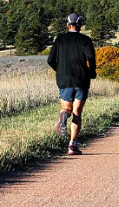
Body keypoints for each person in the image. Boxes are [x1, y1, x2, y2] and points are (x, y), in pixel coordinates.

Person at [47, 13, 96, 155]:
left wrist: (59, 69)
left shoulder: (60, 40)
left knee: (67, 109)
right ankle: (72, 145)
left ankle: (63, 116)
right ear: (80, 26)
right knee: (77, 113)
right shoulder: (85, 40)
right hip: (82, 80)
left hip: (64, 80)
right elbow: (91, 57)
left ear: (68, 25)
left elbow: (50, 59)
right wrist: (92, 72)